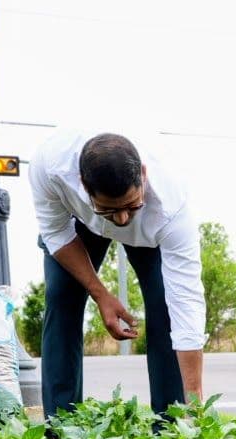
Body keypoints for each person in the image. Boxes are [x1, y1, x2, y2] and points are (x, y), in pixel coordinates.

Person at [30, 130, 205, 417]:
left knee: (167, 306)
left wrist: (196, 398)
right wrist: (101, 294)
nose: (123, 220)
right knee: (61, 296)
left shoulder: (172, 204)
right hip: (80, 224)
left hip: (150, 231)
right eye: (112, 211)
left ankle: (173, 427)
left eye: (130, 205)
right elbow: (56, 234)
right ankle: (62, 429)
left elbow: (187, 302)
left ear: (144, 176)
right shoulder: (49, 167)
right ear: (83, 185)